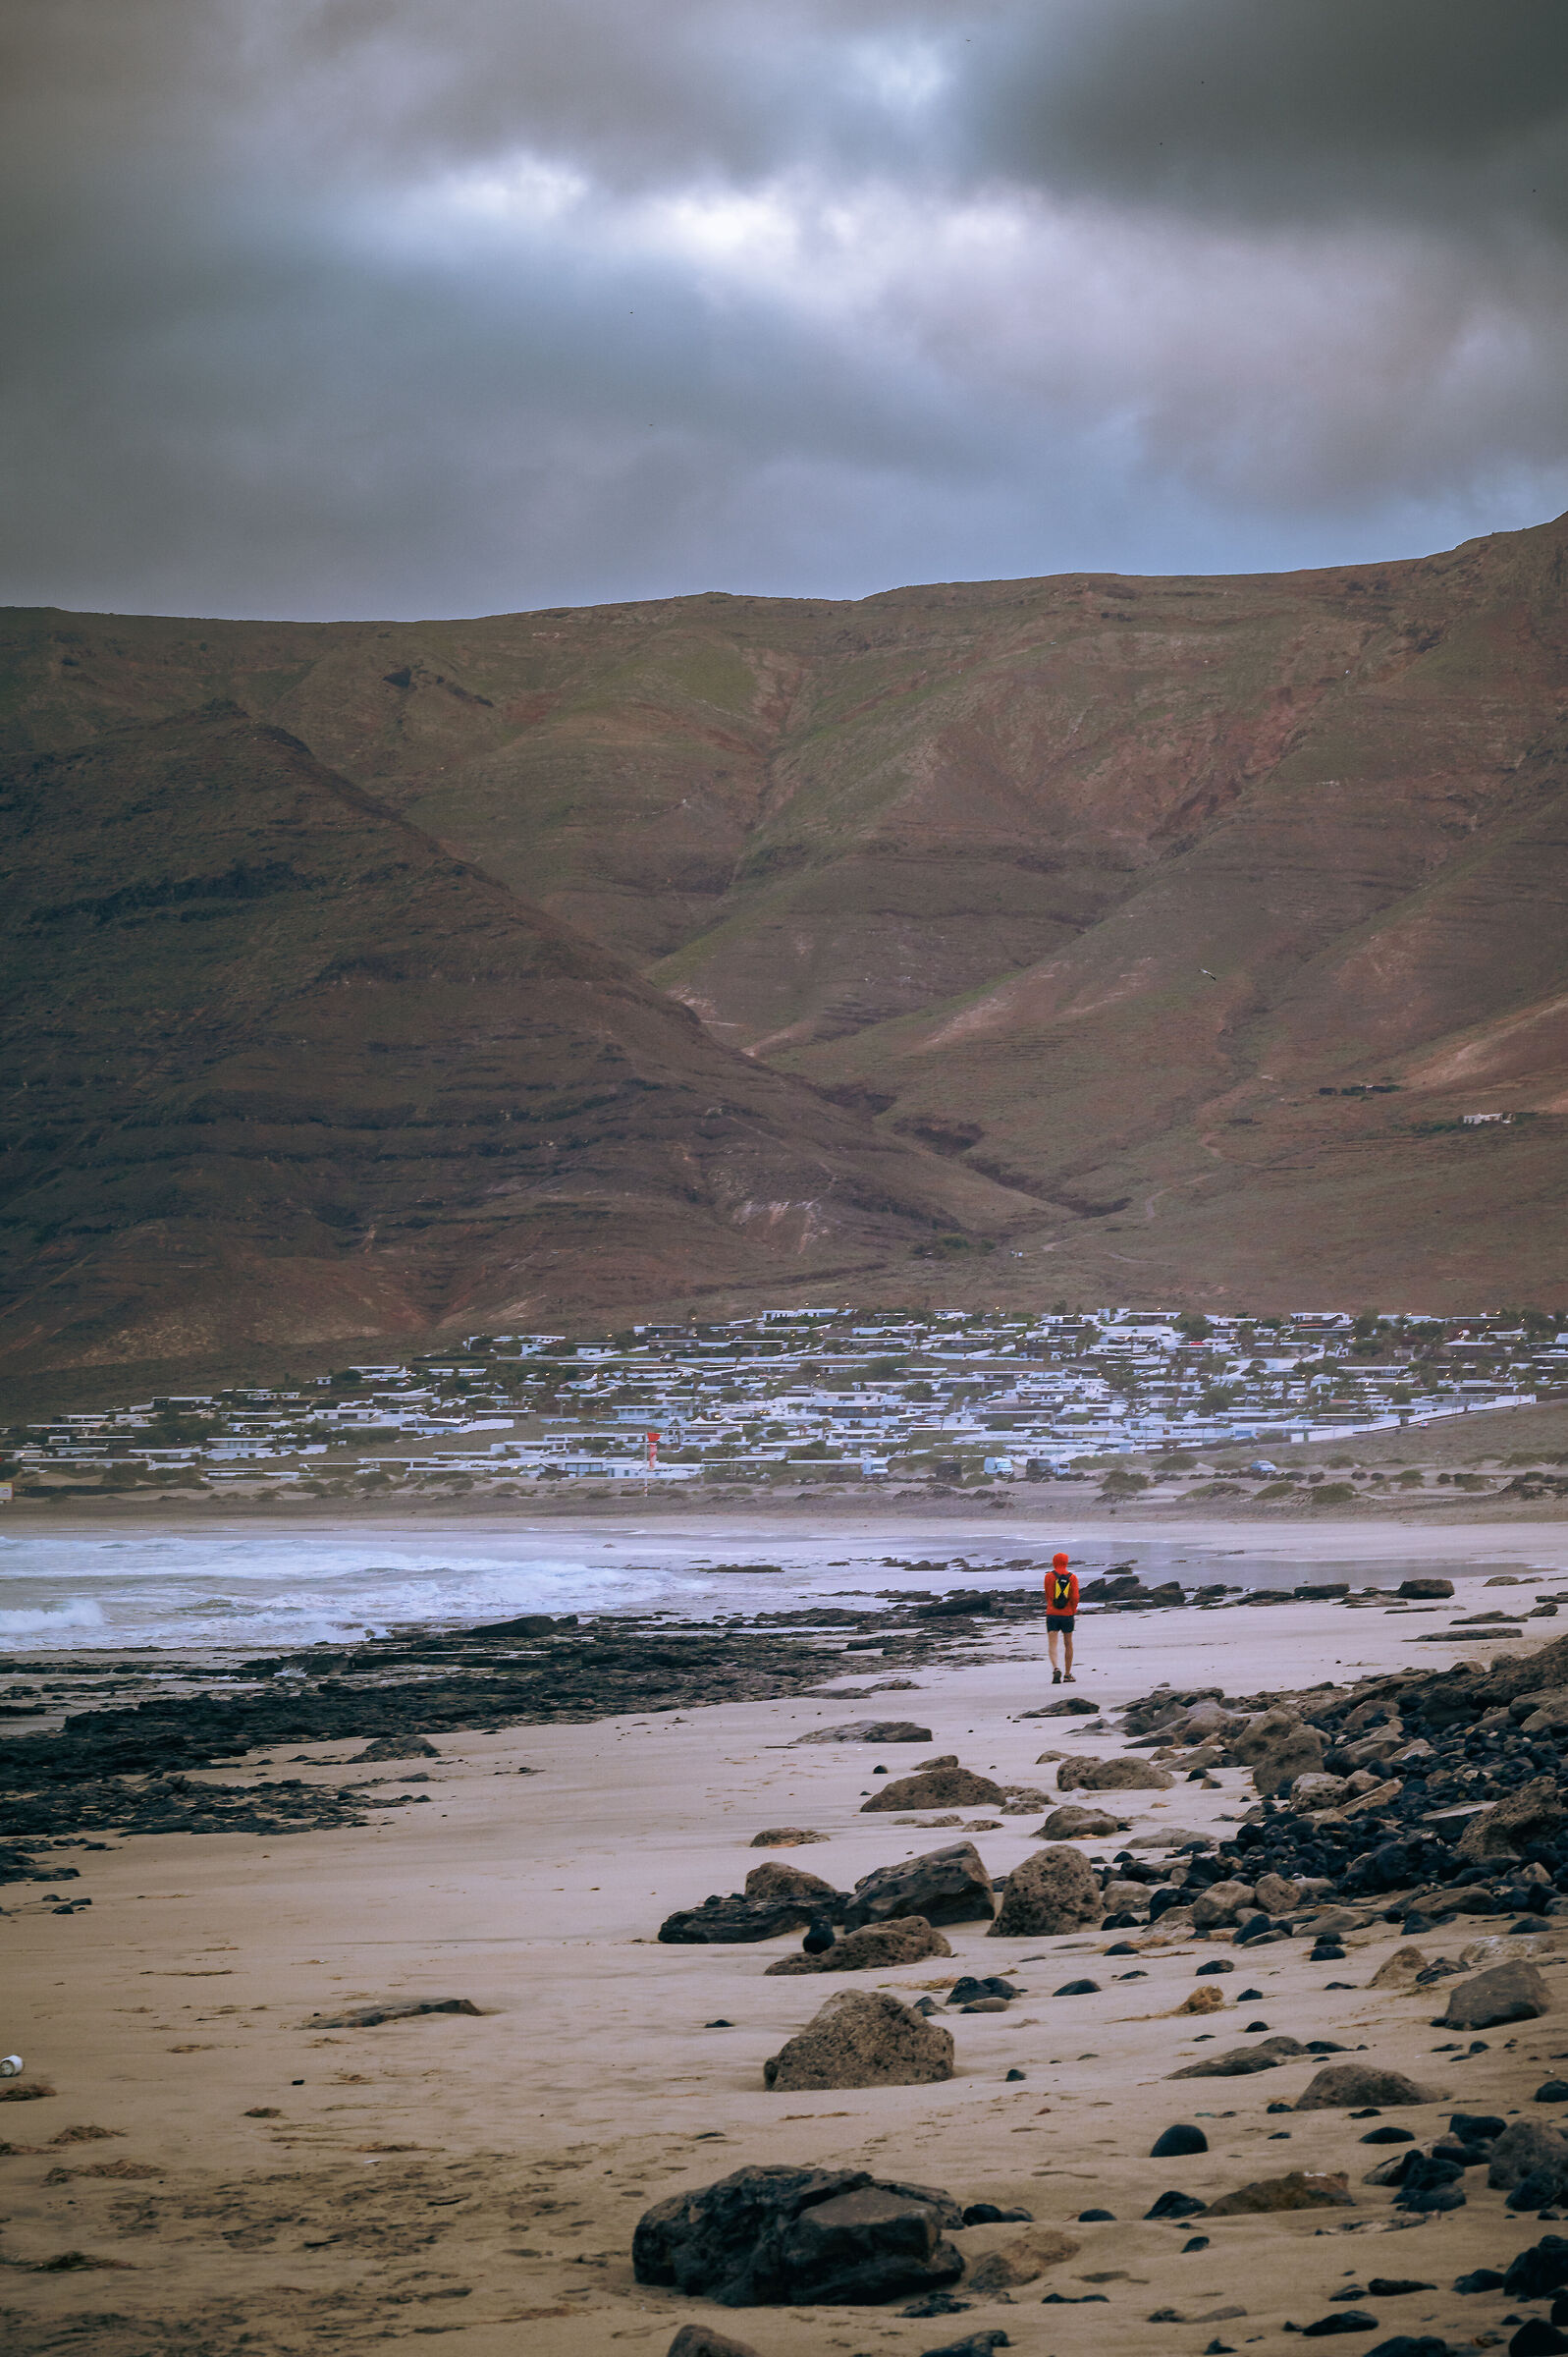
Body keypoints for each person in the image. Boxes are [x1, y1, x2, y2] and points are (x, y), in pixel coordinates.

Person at [1045, 1550, 1079, 1683]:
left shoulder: (1048, 1576)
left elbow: (1048, 1594)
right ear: (1066, 1562)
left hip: (1052, 1614)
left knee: (1052, 1644)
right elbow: (1075, 1597)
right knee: (1068, 1643)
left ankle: (1055, 1668)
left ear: (1054, 1562)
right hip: (1067, 1614)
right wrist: (1073, 1610)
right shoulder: (1072, 1577)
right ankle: (1068, 1674)